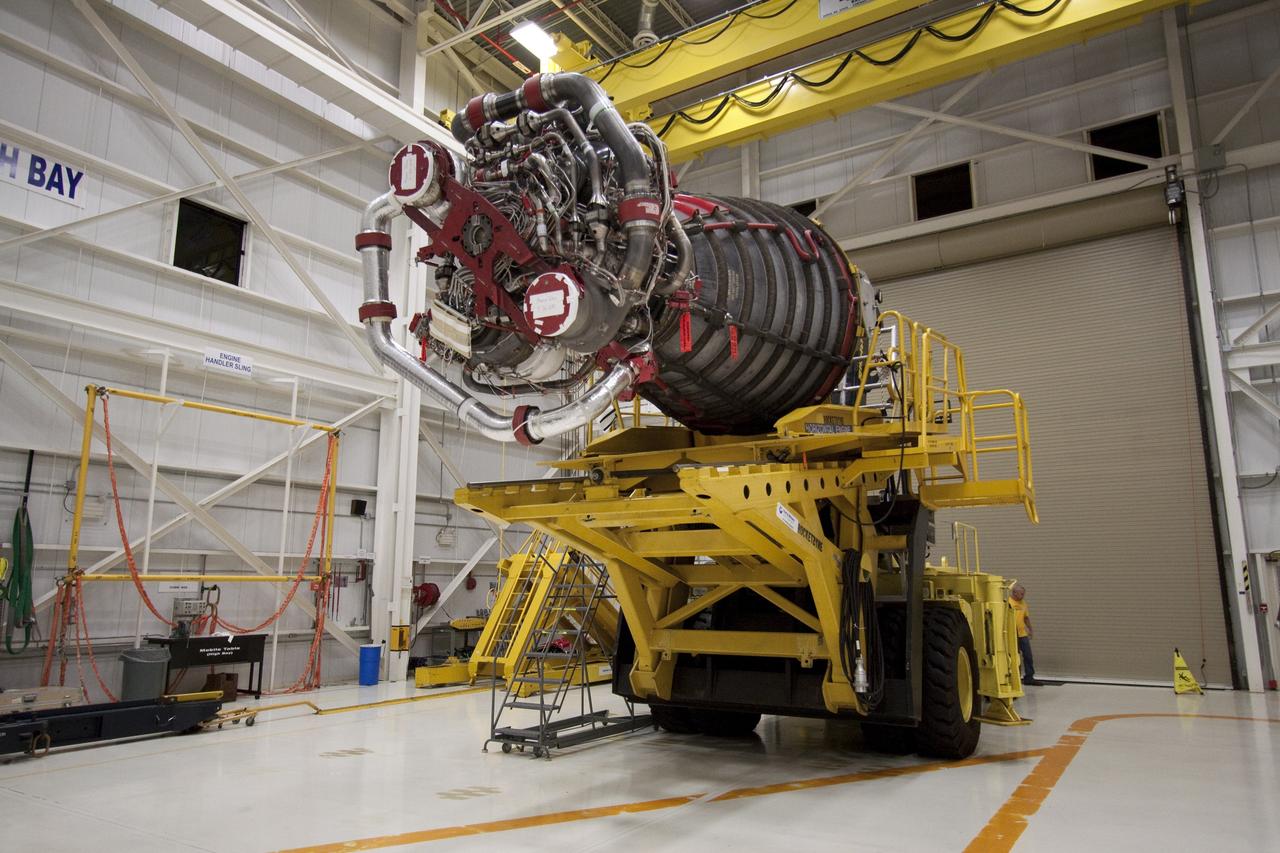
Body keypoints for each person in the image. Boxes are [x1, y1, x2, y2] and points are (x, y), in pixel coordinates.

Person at [1010, 583, 1042, 685]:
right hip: (1012, 634)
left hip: (1022, 634)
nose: (1023, 596)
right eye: (1021, 594)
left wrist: (1030, 629)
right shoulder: (1008, 603)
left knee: (1028, 655)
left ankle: (1029, 677)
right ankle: (1015, 678)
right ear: (1014, 593)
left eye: (1024, 594)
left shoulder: (1023, 603)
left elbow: (1026, 617)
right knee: (1015, 657)